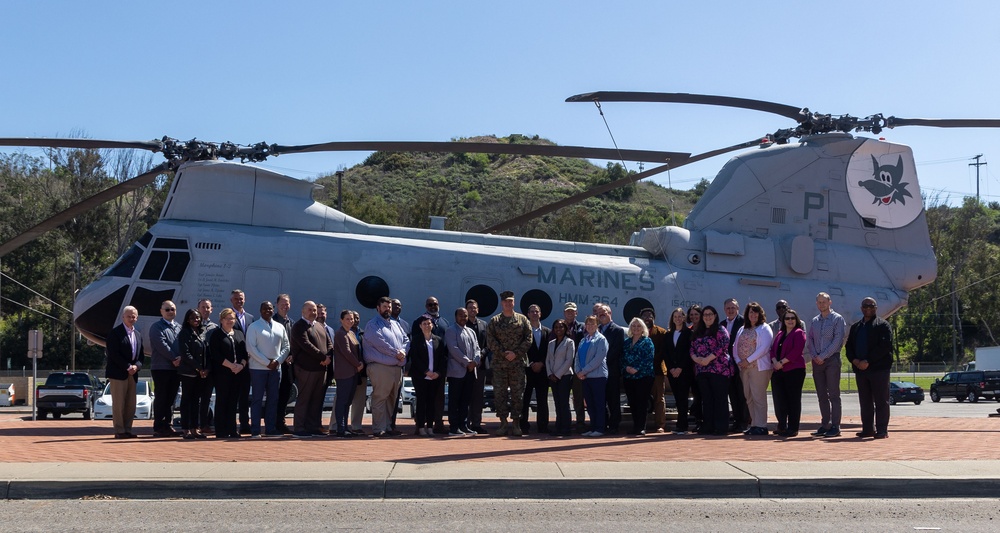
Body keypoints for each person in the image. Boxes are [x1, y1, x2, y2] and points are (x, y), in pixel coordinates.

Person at [846, 297, 894, 439]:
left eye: (871, 306)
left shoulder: (883, 325)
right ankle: (867, 429)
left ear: (876, 308)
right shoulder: (856, 327)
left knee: (881, 401)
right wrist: (855, 361)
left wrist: (868, 361)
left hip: (878, 369)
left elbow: (884, 347)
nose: (868, 308)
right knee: (865, 401)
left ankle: (882, 430)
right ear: (861, 308)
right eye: (865, 306)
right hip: (860, 370)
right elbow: (849, 347)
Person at [487, 290, 532, 437]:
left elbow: (528, 338)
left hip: (517, 364)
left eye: (511, 301)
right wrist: (503, 353)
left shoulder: (522, 319)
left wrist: (516, 353)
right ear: (502, 303)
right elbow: (490, 341)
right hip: (500, 364)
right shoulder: (495, 321)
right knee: (500, 394)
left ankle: (516, 424)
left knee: (517, 395)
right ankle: (503, 423)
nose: (508, 303)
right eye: (506, 301)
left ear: (514, 302)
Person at [364, 296, 410, 438]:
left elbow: (406, 339)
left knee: (392, 398)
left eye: (389, 307)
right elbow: (379, 342)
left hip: (396, 367)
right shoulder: (372, 325)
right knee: (380, 397)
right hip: (380, 366)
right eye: (384, 306)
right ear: (378, 308)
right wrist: (396, 353)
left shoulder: (396, 324)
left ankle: (389, 426)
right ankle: (379, 428)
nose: (387, 309)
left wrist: (403, 351)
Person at [245, 301, 290, 438]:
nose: (268, 311)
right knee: (257, 399)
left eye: (270, 309)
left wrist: (277, 361)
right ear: (260, 310)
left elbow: (286, 346)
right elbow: (251, 348)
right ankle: (255, 430)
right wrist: (266, 362)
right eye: (265, 308)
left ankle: (270, 428)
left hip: (276, 368)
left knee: (273, 399)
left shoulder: (279, 327)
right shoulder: (254, 327)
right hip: (258, 368)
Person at [290, 301, 333, 438]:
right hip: (306, 369)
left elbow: (329, 344)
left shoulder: (319, 326)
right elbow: (306, 345)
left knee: (317, 400)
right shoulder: (298, 326)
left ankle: (313, 426)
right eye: (310, 310)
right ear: (303, 311)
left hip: (321, 369)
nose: (313, 312)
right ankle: (299, 428)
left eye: (314, 310)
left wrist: (328, 356)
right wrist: (322, 357)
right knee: (304, 398)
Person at [807, 292, 847, 438]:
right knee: (821, 395)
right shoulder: (815, 321)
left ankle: (835, 426)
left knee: (834, 394)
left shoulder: (837, 319)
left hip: (831, 361)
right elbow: (810, 339)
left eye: (824, 302)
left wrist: (823, 356)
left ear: (830, 302)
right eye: (819, 302)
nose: (821, 304)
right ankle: (825, 424)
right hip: (817, 361)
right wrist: (815, 356)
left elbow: (838, 340)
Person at [690, 305, 731, 436]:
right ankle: (708, 425)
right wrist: (696, 358)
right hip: (702, 370)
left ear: (715, 316)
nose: (707, 317)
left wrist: (708, 358)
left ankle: (721, 427)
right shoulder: (699, 331)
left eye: (710, 314)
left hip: (718, 370)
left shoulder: (720, 329)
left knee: (719, 398)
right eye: (705, 314)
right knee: (706, 399)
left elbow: (724, 344)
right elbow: (692, 347)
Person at [734, 302, 774, 436]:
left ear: (760, 314)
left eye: (756, 312)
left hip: (758, 367)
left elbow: (764, 348)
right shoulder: (742, 329)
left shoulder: (764, 328)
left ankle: (762, 425)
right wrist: (739, 361)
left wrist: (748, 360)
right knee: (749, 396)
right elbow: (735, 346)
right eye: (751, 312)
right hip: (744, 368)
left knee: (758, 396)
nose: (753, 315)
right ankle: (754, 424)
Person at [208, 308, 249, 439]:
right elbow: (215, 354)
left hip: (238, 373)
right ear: (221, 320)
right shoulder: (216, 335)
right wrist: (231, 365)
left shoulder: (238, 333)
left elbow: (244, 352)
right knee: (222, 401)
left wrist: (241, 365)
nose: (230, 321)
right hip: (222, 374)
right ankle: (221, 430)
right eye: (227, 319)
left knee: (233, 402)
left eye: (232, 318)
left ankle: (232, 429)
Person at [105, 306, 144, 439]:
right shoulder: (115, 333)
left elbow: (141, 357)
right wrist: (128, 366)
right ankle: (119, 430)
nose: (131, 319)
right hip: (118, 374)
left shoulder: (138, 334)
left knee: (130, 404)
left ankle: (128, 430)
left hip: (133, 375)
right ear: (123, 317)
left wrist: (136, 367)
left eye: (134, 316)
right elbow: (113, 354)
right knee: (119, 404)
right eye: (129, 316)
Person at [408, 314, 449, 436]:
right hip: (421, 376)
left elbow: (443, 358)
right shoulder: (415, 340)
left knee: (432, 402)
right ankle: (421, 427)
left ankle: (430, 427)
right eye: (424, 324)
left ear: (432, 325)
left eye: (429, 323)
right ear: (420, 326)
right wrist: (426, 371)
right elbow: (415, 358)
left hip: (435, 377)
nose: (427, 326)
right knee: (421, 401)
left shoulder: (439, 340)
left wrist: (438, 373)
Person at [770, 308, 807, 437]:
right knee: (780, 399)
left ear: (796, 320)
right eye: (787, 318)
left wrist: (782, 362)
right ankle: (782, 426)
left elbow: (796, 351)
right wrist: (775, 361)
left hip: (794, 370)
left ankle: (793, 427)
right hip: (778, 371)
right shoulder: (780, 334)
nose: (790, 320)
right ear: (783, 320)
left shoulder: (799, 333)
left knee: (793, 400)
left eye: (792, 318)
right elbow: (772, 350)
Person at [445, 307, 481, 436]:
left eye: (465, 316)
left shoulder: (471, 331)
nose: (463, 318)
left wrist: (475, 361)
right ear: (456, 317)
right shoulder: (451, 330)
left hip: (471, 371)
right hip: (457, 371)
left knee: (466, 400)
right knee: (455, 400)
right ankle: (454, 427)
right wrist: (467, 362)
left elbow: (477, 348)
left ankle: (463, 425)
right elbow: (453, 349)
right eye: (461, 315)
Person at [149, 300, 181, 438]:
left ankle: (168, 424)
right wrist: (174, 358)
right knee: (161, 397)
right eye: (167, 309)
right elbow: (161, 344)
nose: (170, 312)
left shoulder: (179, 327)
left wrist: (181, 359)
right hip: (161, 368)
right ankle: (159, 426)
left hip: (176, 369)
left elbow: (183, 345)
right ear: (161, 311)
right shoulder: (156, 327)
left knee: (171, 399)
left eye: (172, 309)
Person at [176, 308, 209, 439]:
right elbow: (186, 354)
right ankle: (186, 429)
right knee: (187, 401)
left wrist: (206, 369)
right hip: (188, 372)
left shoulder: (202, 332)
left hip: (200, 374)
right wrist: (198, 368)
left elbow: (206, 352)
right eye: (193, 318)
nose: (196, 320)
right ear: (187, 320)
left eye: (198, 318)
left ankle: (195, 428)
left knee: (196, 401)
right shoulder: (184, 333)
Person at [331, 310, 364, 438]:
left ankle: (345, 427)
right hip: (344, 373)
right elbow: (347, 352)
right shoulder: (340, 334)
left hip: (353, 372)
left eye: (352, 319)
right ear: (341, 320)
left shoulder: (351, 333)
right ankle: (340, 428)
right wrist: (358, 364)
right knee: (342, 401)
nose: (350, 321)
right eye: (347, 319)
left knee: (348, 402)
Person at [576, 315, 609, 437]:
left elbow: (598, 359)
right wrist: (578, 371)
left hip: (598, 376)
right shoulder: (583, 340)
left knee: (598, 403)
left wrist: (584, 371)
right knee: (589, 403)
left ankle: (600, 428)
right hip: (585, 377)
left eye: (592, 324)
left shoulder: (601, 339)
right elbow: (577, 358)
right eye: (588, 324)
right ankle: (593, 426)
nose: (590, 326)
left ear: (597, 326)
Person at [622, 317, 655, 436]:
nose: (636, 328)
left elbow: (648, 358)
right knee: (633, 402)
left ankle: (641, 427)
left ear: (643, 328)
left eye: (638, 326)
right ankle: (635, 426)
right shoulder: (626, 342)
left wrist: (636, 368)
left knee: (642, 402)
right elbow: (622, 357)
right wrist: (626, 368)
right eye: (634, 326)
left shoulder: (647, 341)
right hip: (629, 377)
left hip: (643, 376)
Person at [521, 304, 550, 435]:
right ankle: (523, 425)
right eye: (531, 311)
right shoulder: (523, 331)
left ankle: (543, 425)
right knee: (525, 399)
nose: (534, 313)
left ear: (540, 314)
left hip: (542, 370)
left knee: (542, 399)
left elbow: (550, 351)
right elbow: (522, 349)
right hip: (527, 370)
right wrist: (532, 363)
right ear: (528, 314)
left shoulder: (547, 332)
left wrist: (542, 363)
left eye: (536, 311)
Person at [596, 304, 626, 435]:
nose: (602, 315)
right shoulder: (596, 330)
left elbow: (616, 350)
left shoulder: (618, 330)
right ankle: (602, 424)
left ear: (610, 313)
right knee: (600, 399)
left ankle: (614, 425)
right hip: (597, 372)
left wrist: (600, 362)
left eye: (604, 313)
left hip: (611, 371)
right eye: (599, 313)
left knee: (613, 400)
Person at [720, 298, 748, 433]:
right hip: (727, 366)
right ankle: (736, 421)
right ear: (724, 310)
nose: (730, 310)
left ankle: (744, 421)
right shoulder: (721, 324)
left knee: (742, 394)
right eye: (728, 308)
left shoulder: (744, 322)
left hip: (741, 364)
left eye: (733, 308)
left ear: (738, 308)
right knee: (733, 395)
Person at [664, 307, 694, 434]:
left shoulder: (688, 333)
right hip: (672, 372)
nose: (677, 319)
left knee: (683, 398)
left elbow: (688, 352)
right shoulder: (668, 334)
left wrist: (680, 368)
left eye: (680, 316)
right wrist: (671, 368)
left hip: (684, 371)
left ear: (684, 318)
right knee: (677, 398)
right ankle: (680, 424)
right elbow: (666, 353)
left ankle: (683, 425)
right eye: (675, 316)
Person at [229, 290, 254, 434]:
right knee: (233, 396)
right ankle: (231, 424)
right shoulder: (227, 316)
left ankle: (245, 423)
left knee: (245, 396)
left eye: (241, 299)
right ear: (231, 300)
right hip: (233, 363)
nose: (239, 301)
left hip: (247, 362)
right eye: (236, 299)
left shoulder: (250, 318)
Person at [545, 318, 575, 437]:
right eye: (556, 327)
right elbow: (547, 359)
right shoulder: (551, 343)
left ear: (565, 329)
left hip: (565, 376)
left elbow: (569, 360)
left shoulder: (569, 342)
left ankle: (566, 428)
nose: (559, 329)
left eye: (561, 327)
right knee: (557, 403)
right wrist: (550, 374)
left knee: (564, 402)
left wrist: (558, 375)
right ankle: (558, 427)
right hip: (552, 376)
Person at [641, 308, 669, 433]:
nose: (647, 318)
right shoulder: (637, 332)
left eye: (650, 315)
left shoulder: (661, 332)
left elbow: (663, 351)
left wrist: (651, 362)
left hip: (657, 370)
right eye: (645, 316)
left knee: (659, 399)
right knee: (642, 398)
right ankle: (641, 425)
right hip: (641, 372)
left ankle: (660, 425)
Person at [464, 299, 490, 435]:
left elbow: (487, 345)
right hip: (467, 365)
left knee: (478, 396)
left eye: (474, 308)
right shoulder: (462, 325)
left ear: (478, 310)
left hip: (480, 365)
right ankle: (465, 423)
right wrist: (471, 361)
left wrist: (480, 357)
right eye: (470, 308)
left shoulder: (484, 325)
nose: (472, 310)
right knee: (466, 395)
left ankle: (476, 423)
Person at [273, 293, 295, 434]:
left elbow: (294, 343)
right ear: (277, 305)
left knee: (285, 395)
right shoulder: (272, 321)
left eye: (287, 303)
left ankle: (280, 421)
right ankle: (272, 422)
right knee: (274, 395)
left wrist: (292, 355)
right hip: (274, 364)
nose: (284, 306)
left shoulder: (291, 323)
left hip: (288, 366)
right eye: (282, 303)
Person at [564, 302, 587, 432]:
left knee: (578, 395)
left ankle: (580, 422)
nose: (570, 313)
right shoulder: (559, 326)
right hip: (563, 367)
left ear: (576, 313)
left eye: (572, 311)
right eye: (568, 311)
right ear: (564, 313)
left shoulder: (582, 327)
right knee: (563, 395)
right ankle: (565, 421)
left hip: (577, 366)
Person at [196, 299, 216, 435]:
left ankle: (204, 424)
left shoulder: (215, 328)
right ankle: (193, 424)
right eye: (203, 307)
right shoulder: (192, 326)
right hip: (195, 368)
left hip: (210, 369)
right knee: (193, 398)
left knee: (206, 398)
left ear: (211, 309)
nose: (205, 310)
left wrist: (208, 368)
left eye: (208, 307)